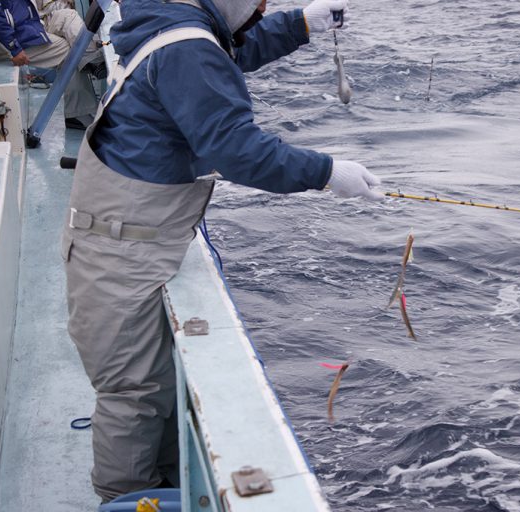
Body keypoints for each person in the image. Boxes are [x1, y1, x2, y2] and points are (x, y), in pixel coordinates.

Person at [61, 0, 382, 503]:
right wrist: (326, 172)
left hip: (132, 235)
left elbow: (226, 51)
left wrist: (300, 24)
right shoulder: (187, 48)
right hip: (121, 251)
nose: (261, 11)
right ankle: (124, 498)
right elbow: (237, 150)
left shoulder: (169, 21)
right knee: (133, 393)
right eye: (258, 4)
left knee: (151, 385)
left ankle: (164, 483)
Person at [0, 0, 103, 129]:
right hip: (9, 41)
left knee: (68, 15)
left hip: (27, 27)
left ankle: (93, 61)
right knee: (67, 50)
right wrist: (14, 47)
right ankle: (76, 113)